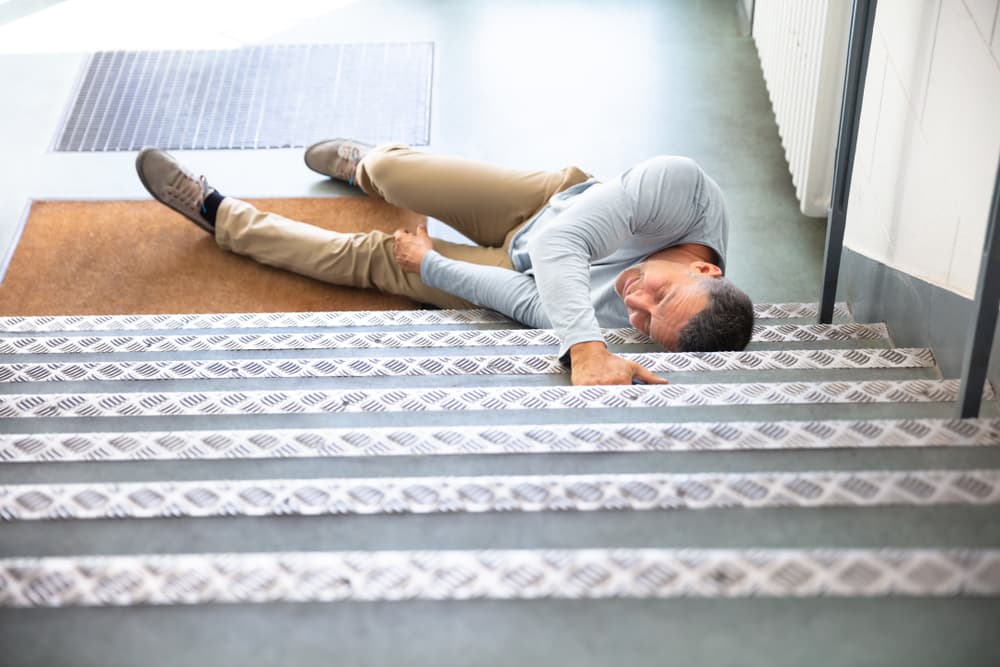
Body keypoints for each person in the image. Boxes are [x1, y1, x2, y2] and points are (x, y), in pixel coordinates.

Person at [135, 140, 754, 386]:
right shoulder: (682, 189)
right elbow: (558, 247)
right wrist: (586, 349)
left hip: (516, 271)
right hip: (551, 205)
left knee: (376, 260)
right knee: (395, 173)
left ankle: (217, 213)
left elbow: (534, 303)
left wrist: (430, 264)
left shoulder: (643, 323)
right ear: (707, 271)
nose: (635, 304)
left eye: (646, 323)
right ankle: (367, 169)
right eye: (659, 296)